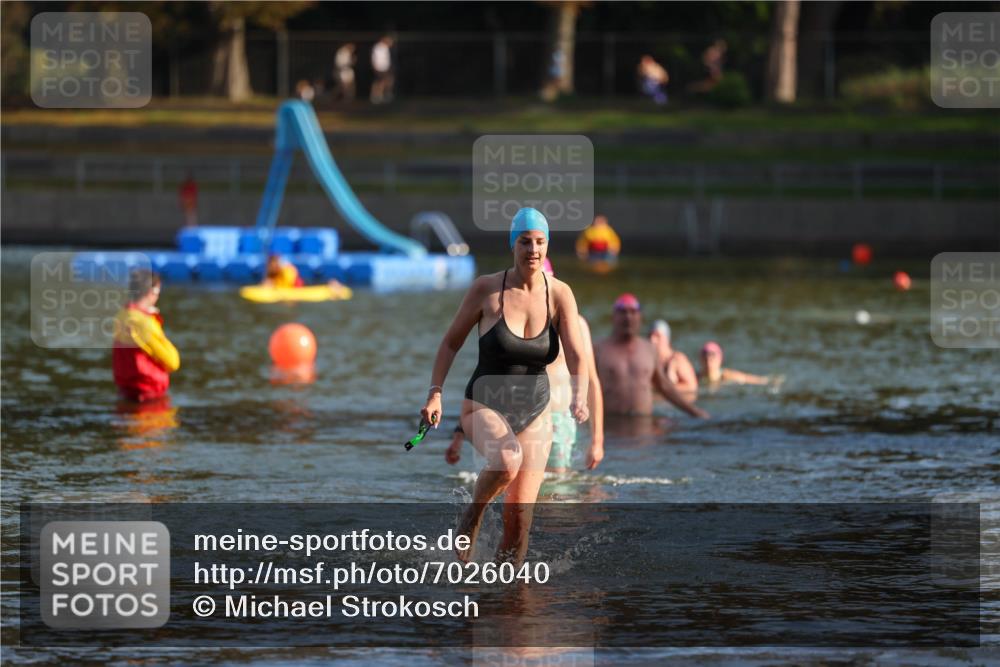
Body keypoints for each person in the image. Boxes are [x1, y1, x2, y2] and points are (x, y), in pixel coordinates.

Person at [421, 207, 590, 565]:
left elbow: (577, 352)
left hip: (535, 411)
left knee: (519, 521)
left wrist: (581, 394)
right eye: (525, 241)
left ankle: (508, 602)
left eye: (540, 242)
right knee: (507, 460)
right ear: (513, 244)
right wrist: (435, 393)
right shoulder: (486, 288)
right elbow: (450, 343)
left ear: (548, 246)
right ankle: (474, 516)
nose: (533, 249)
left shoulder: (560, 294)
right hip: (484, 403)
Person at [444, 258, 604, 473]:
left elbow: (591, 381)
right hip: (509, 412)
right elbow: (485, 374)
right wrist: (459, 432)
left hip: (557, 417)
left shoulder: (576, 325)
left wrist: (597, 440)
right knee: (506, 479)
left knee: (555, 490)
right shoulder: (511, 321)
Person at [595, 294, 709, 419]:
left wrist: (694, 412)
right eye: (623, 312)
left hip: (644, 425)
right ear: (613, 316)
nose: (628, 317)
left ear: (640, 317)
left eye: (633, 312)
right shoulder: (599, 349)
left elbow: (664, 386)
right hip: (611, 426)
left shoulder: (649, 350)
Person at [113, 270, 180, 403]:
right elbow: (173, 362)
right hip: (148, 395)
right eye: (158, 292)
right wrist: (152, 320)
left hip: (126, 391)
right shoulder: (144, 323)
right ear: (151, 292)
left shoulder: (122, 315)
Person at [649, 319, 698, 396]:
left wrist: (660, 388)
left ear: (667, 338)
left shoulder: (677, 360)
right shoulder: (649, 360)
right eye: (650, 335)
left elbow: (692, 387)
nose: (652, 340)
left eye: (657, 336)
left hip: (673, 406)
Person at [698, 341, 770, 386]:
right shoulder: (695, 379)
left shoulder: (728, 376)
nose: (708, 359)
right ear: (700, 359)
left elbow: (757, 380)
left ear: (720, 359)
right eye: (705, 355)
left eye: (712, 355)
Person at [370, 36, 395, 104]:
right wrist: (375, 67)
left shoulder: (385, 47)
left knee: (388, 80)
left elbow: (386, 59)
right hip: (380, 68)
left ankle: (384, 94)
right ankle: (376, 96)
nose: (391, 44)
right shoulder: (378, 47)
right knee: (379, 82)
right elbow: (375, 58)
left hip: (385, 68)